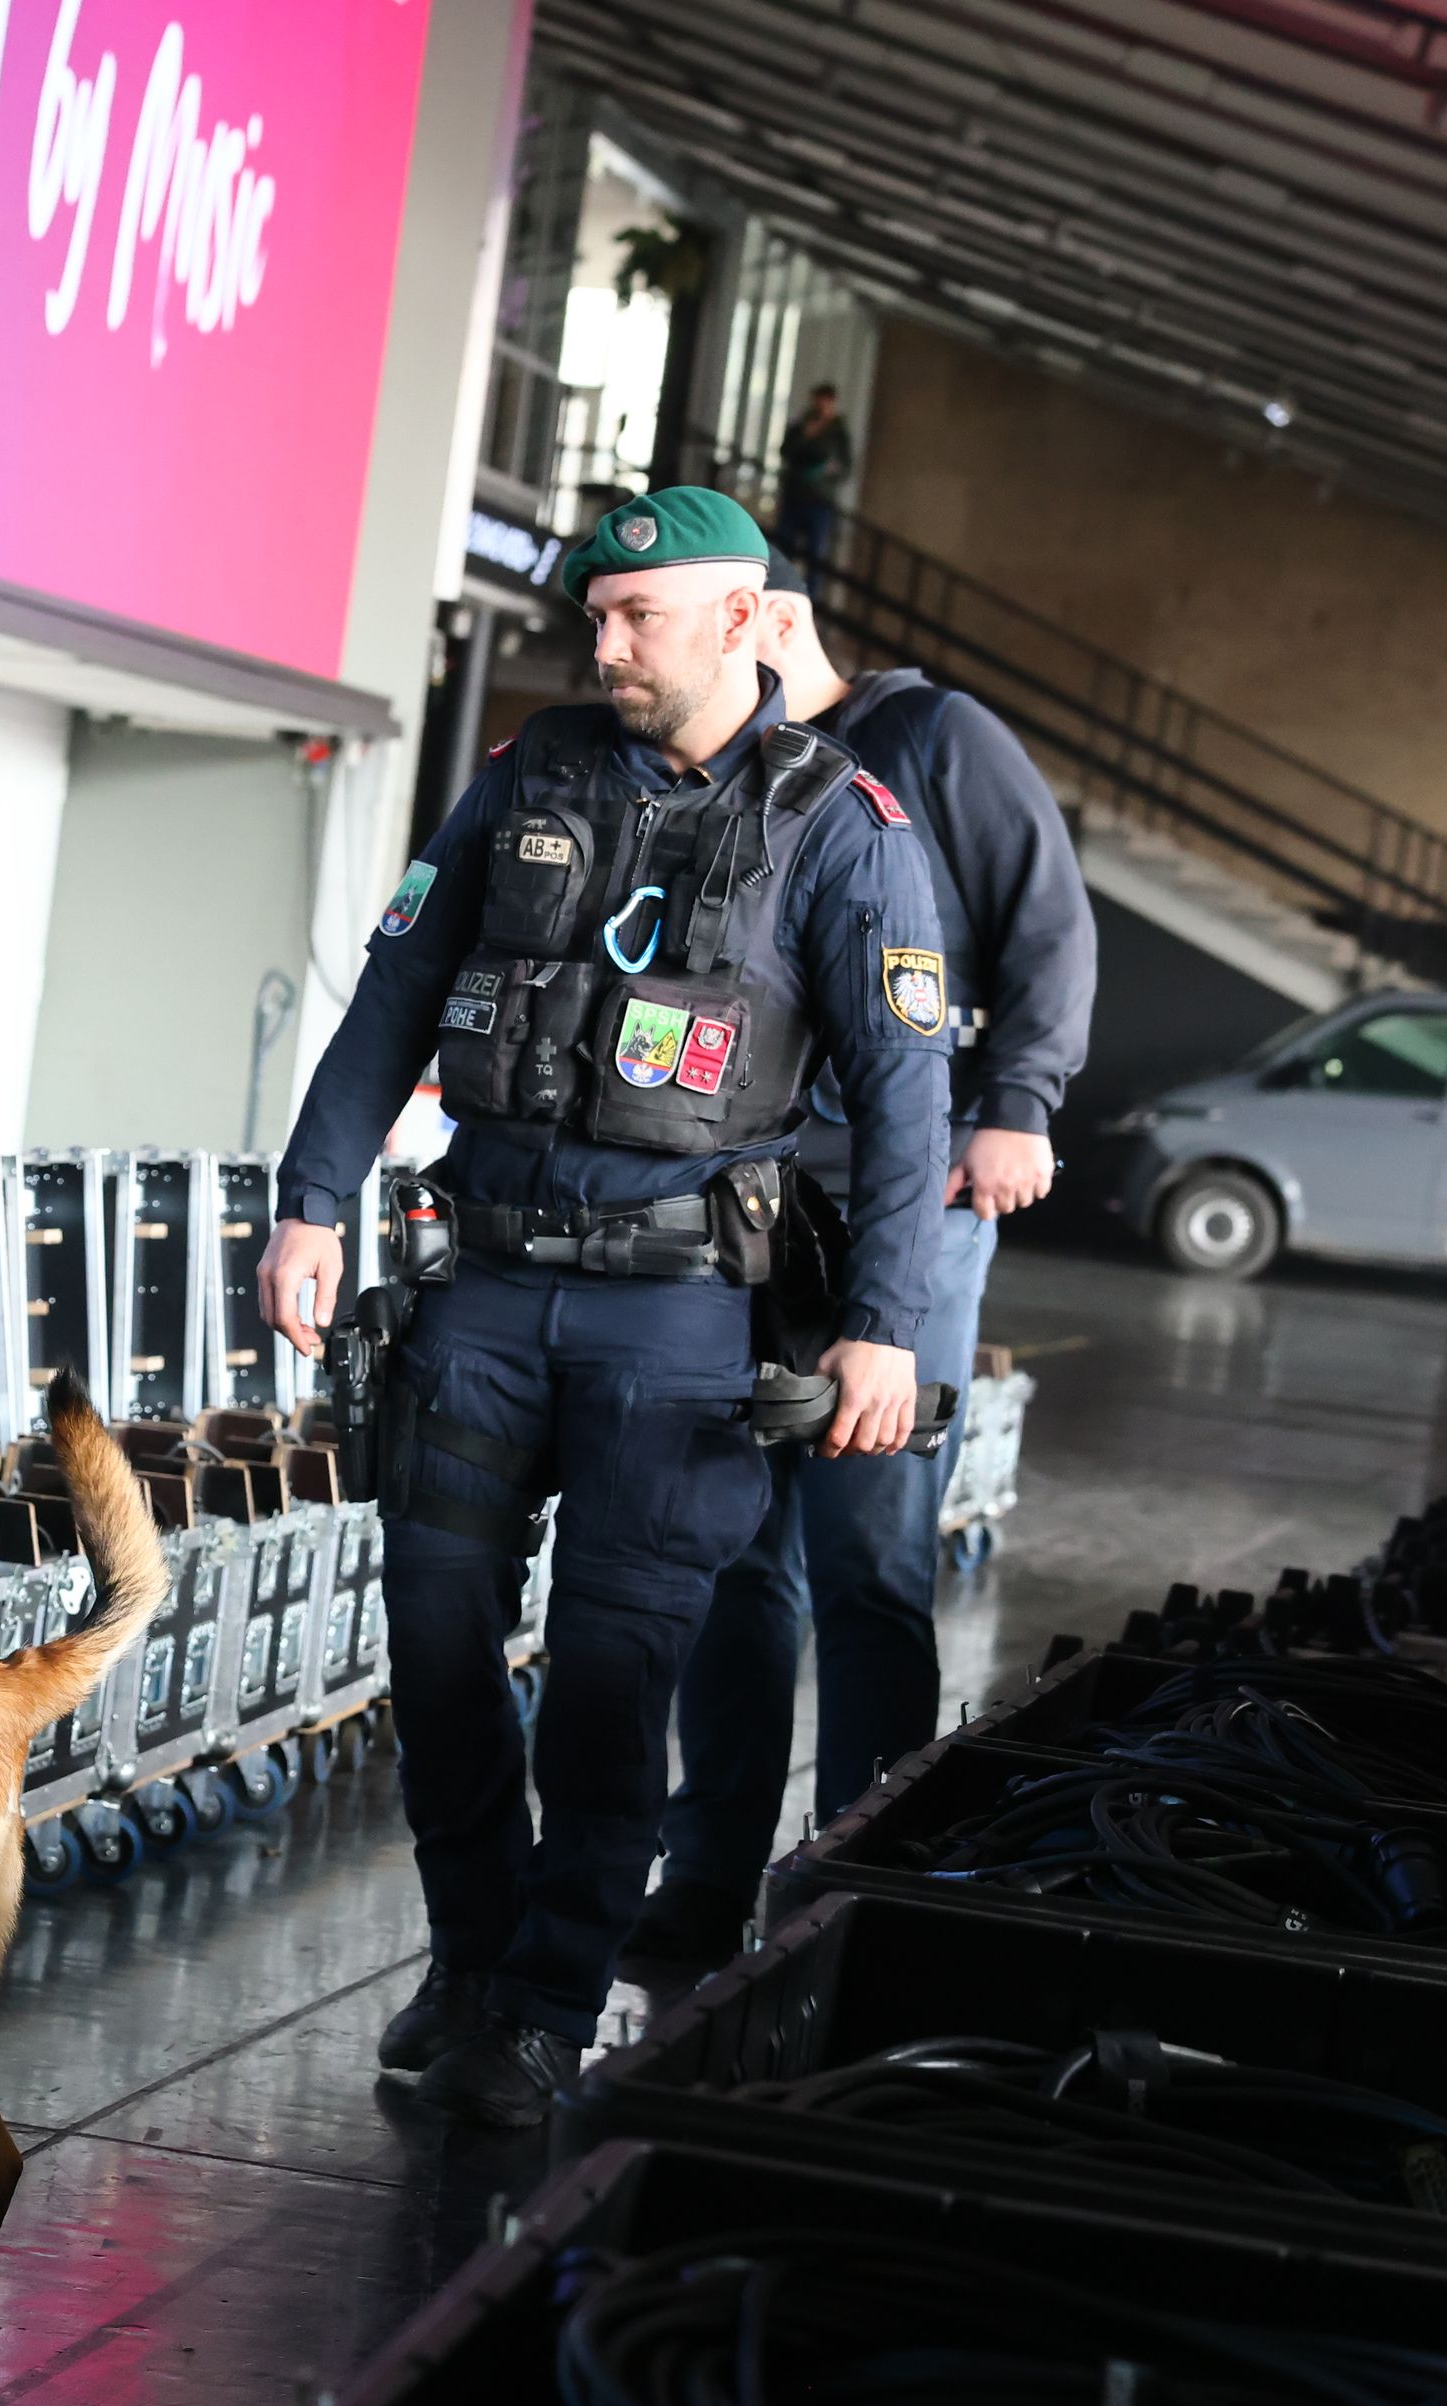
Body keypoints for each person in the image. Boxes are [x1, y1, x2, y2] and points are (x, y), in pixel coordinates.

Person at [259, 485, 952, 2129]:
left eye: (638, 617)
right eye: (596, 617)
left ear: (740, 620)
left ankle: (552, 1997)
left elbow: (911, 1104)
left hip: (683, 1322)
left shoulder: (845, 823)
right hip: (484, 1294)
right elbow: (398, 992)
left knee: (609, 1675)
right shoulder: (529, 777)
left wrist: (887, 1321)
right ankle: (472, 1954)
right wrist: (307, 1202)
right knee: (432, 1645)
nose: (605, 643)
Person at [628, 566, 1097, 1984]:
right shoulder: (734, 772)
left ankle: (855, 1879)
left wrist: (1020, 1096)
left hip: (917, 1198)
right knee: (730, 1553)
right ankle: (705, 1874)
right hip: (744, 1203)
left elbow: (1051, 923)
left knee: (868, 1549)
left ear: (767, 620)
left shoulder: (939, 738)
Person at [774, 385, 853, 572]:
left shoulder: (839, 434)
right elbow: (785, 452)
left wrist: (830, 470)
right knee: (784, 548)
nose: (821, 405)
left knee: (815, 555)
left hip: (820, 500)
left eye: (826, 401)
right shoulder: (801, 427)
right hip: (795, 495)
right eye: (818, 400)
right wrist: (805, 435)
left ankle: (810, 595)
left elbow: (846, 468)